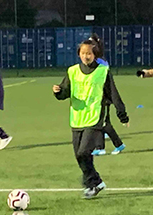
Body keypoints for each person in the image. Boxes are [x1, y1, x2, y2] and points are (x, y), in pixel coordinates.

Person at [53, 37, 129, 199]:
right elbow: (65, 93)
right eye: (83, 53)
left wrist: (122, 115)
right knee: (79, 156)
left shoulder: (103, 72)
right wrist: (58, 91)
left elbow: (114, 95)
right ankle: (94, 184)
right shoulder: (72, 71)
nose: (86, 56)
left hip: (95, 118)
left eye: (89, 53)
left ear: (95, 55)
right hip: (77, 118)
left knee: (83, 152)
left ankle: (94, 182)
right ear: (78, 54)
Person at [88, 34, 127, 156]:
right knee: (98, 123)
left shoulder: (100, 62)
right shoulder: (98, 61)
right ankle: (100, 147)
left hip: (103, 97)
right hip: (96, 97)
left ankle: (119, 144)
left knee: (104, 123)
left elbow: (105, 82)